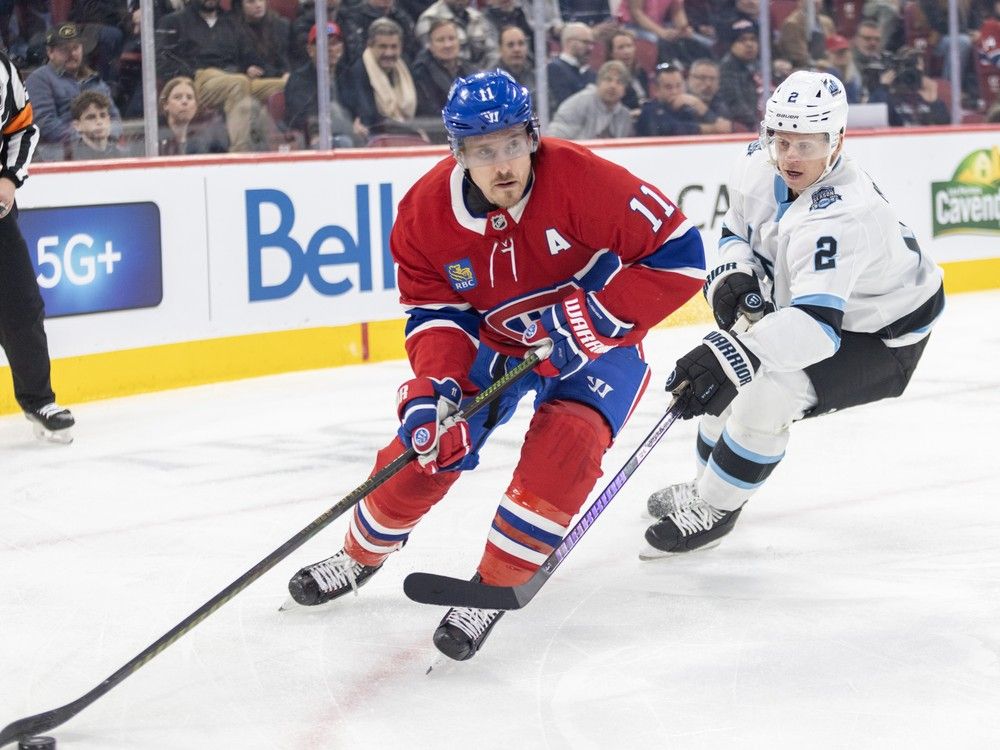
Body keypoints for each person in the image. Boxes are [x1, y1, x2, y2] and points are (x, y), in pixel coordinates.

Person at [286, 69, 705, 661]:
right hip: (495, 345)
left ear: (533, 136)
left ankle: (493, 583)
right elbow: (435, 313)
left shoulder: (582, 179)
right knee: (426, 448)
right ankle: (358, 556)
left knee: (567, 447)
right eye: (484, 151)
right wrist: (437, 385)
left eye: (513, 143)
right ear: (457, 152)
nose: (503, 163)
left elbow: (682, 257)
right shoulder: (424, 215)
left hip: (596, 341)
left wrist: (590, 323)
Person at [642, 70, 944, 556]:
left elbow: (817, 330)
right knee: (734, 378)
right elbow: (735, 229)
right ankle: (705, 490)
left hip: (882, 334)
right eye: (781, 141)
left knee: (765, 393)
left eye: (807, 144)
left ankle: (717, 507)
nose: (790, 157)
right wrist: (733, 274)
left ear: (838, 141)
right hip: (818, 305)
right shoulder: (754, 162)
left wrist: (731, 353)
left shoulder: (843, 214)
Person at [0, 52, 76, 443]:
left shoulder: (1, 68)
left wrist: (10, 179)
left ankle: (38, 400)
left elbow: (21, 128)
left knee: (20, 304)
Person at [156, 0, 286, 152]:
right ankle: (239, 152)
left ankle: (279, 147)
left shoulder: (231, 22)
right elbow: (161, 61)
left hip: (235, 77)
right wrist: (190, 75)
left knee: (283, 85)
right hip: (198, 80)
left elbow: (250, 56)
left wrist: (277, 74)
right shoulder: (174, 21)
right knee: (238, 82)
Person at [25, 22, 123, 161]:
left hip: (102, 150)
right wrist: (82, 140)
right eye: (64, 49)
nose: (72, 54)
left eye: (75, 47)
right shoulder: (39, 79)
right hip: (58, 155)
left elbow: (115, 118)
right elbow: (44, 122)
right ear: (50, 52)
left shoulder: (95, 80)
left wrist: (108, 136)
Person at [283, 22, 356, 147]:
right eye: (323, 44)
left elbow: (359, 106)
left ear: (342, 48)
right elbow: (301, 115)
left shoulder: (348, 74)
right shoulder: (298, 79)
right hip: (314, 139)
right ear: (310, 50)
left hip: (350, 133)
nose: (330, 49)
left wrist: (357, 120)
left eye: (334, 43)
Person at [343, 17, 417, 138]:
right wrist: (411, 131)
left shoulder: (406, 68)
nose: (389, 53)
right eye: (383, 47)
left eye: (394, 47)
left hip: (402, 134)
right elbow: (369, 117)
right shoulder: (358, 72)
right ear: (370, 46)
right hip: (374, 137)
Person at [635, 61, 731, 136]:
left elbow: (724, 127)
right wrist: (711, 129)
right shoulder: (649, 110)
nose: (675, 92)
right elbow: (670, 129)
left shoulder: (688, 108)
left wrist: (701, 107)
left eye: (678, 86)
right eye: (669, 87)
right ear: (656, 90)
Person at [548, 59, 634, 140]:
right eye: (608, 79)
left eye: (619, 82)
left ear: (625, 90)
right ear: (598, 82)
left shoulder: (624, 116)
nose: (613, 86)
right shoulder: (579, 103)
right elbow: (555, 136)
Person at [411, 18, 474, 116]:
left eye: (452, 38)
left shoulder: (469, 69)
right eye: (440, 40)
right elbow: (431, 111)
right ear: (430, 45)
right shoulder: (421, 72)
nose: (447, 45)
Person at [157, 75, 230, 155]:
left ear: (196, 106)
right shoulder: (154, 139)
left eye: (189, 97)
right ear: (165, 105)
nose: (184, 101)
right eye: (177, 97)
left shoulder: (208, 140)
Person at [415, 0, 498, 69]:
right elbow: (430, 56)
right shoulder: (429, 19)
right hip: (444, 78)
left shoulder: (477, 17)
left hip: (484, 77)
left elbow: (493, 52)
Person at [717, 18, 762, 133]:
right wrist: (758, 125)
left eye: (753, 39)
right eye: (742, 40)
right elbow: (735, 105)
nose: (749, 44)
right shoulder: (727, 69)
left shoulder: (761, 64)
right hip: (748, 128)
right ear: (731, 44)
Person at [546, 21, 596, 113]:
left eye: (591, 44)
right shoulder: (554, 69)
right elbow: (565, 104)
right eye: (585, 42)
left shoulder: (590, 74)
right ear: (569, 42)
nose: (590, 48)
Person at [68, 90, 132, 159]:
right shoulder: (71, 157)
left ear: (109, 120)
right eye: (91, 117)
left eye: (103, 116)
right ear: (77, 125)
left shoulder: (122, 153)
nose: (99, 122)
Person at [607, 28, 650, 112]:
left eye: (629, 46)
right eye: (621, 48)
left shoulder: (641, 72)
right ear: (611, 53)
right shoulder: (609, 78)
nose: (627, 51)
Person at [496, 24, 534, 93]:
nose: (517, 49)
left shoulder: (536, 78)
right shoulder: (491, 81)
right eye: (510, 45)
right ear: (500, 49)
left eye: (521, 44)